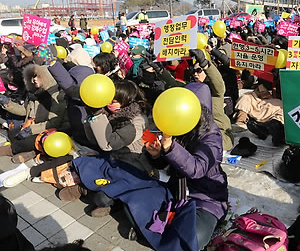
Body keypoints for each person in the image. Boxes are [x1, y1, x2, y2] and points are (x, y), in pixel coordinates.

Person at [146, 82, 229, 250]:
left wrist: (170, 147)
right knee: (140, 205)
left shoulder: (211, 138)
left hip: (206, 197)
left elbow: (197, 169)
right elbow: (172, 164)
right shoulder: (177, 126)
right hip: (177, 191)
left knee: (194, 237)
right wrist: (157, 155)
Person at [59, 80, 153, 217]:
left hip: (131, 164)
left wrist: (98, 115)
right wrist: (92, 115)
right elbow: (93, 139)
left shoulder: (137, 121)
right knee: (84, 165)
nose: (109, 104)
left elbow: (109, 144)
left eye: (113, 101)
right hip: (112, 158)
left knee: (102, 197)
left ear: (126, 101)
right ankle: (84, 189)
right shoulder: (110, 113)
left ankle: (113, 203)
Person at [0, 64, 69, 163]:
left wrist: (31, 130)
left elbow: (54, 123)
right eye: (33, 76)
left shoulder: (57, 96)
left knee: (22, 143)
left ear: (47, 77)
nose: (34, 79)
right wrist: (7, 103)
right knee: (13, 133)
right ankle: (32, 152)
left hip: (50, 131)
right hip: (33, 125)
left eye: (38, 76)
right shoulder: (35, 94)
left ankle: (10, 150)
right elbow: (24, 110)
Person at [189, 49, 234, 151]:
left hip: (218, 136)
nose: (195, 74)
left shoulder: (215, 92)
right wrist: (159, 70)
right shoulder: (191, 90)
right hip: (196, 134)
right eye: (193, 71)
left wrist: (204, 63)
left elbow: (218, 82)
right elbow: (173, 83)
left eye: (199, 70)